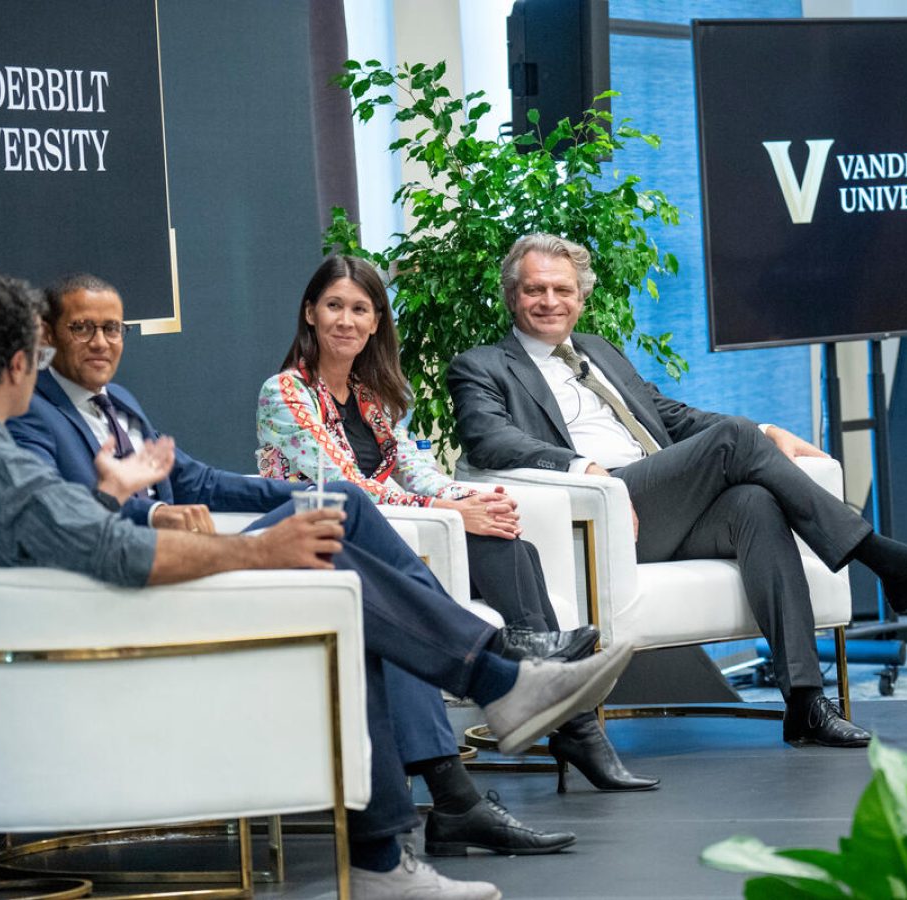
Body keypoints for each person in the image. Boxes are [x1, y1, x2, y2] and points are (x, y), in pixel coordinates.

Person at [0, 272, 639, 900]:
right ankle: (484, 695)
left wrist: (120, 496)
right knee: (331, 566)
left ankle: (469, 720)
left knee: (337, 528)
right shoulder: (3, 464)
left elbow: (61, 534)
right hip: (109, 647)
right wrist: (260, 551)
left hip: (66, 631)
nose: (96, 344)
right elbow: (122, 557)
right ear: (25, 360)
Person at [448, 233, 907, 749]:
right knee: (734, 439)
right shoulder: (482, 366)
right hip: (602, 510)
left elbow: (668, 415)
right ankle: (888, 559)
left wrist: (767, 433)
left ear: (581, 297)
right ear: (511, 296)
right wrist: (581, 465)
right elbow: (490, 440)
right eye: (534, 289)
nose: (549, 300)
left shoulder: (600, 352)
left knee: (756, 503)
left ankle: (806, 703)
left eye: (561, 289)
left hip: (662, 504)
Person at [256, 254, 657, 794]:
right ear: (310, 313)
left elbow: (418, 474)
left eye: (359, 309)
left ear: (377, 321)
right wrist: (449, 511)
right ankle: (556, 698)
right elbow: (345, 486)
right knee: (492, 541)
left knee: (507, 539)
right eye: (333, 307)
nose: (345, 321)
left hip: (401, 538)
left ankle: (552, 693)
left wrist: (475, 499)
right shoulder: (285, 392)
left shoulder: (373, 398)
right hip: (338, 548)